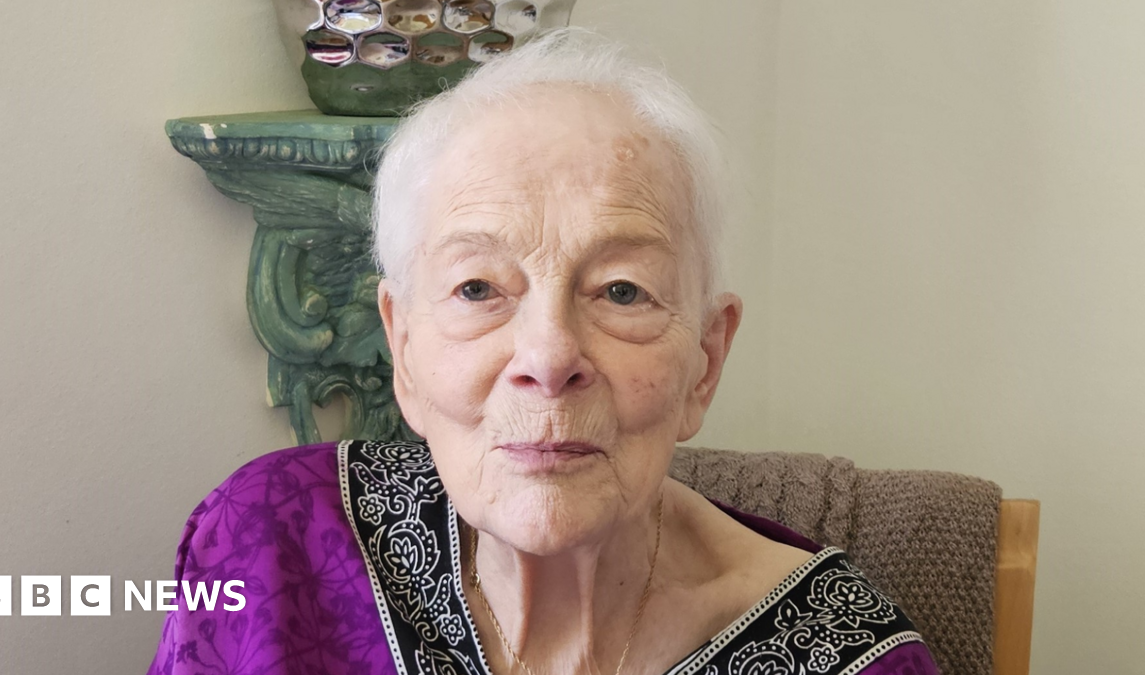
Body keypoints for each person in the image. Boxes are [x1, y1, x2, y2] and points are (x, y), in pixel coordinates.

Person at [147, 29, 939, 675]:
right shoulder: (268, 544)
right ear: (404, 347)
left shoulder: (851, 659)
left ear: (706, 358)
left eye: (622, 290)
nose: (550, 355)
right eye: (478, 288)